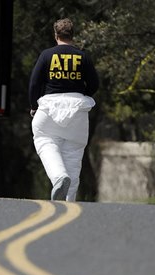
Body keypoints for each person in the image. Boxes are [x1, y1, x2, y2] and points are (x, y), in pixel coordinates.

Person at [29, 18, 99, 201]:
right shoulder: (82, 56)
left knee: (45, 140)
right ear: (72, 35)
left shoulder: (46, 55)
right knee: (74, 157)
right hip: (77, 111)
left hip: (49, 108)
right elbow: (94, 83)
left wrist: (33, 106)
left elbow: (35, 83)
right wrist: (82, 93)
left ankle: (59, 177)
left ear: (56, 35)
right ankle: (68, 203)